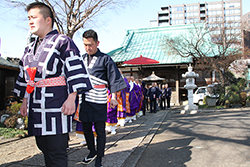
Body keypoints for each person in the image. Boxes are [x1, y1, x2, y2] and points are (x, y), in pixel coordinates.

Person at [13, 2, 92, 167]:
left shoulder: (63, 41)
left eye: (34, 17)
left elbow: (74, 69)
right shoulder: (29, 48)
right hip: (36, 104)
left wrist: (72, 98)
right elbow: (26, 76)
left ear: (48, 20)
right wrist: (25, 101)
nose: (30, 22)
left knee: (57, 151)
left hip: (56, 105)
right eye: (28, 18)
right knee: (43, 147)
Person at [79, 29, 127, 167]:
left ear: (97, 43)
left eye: (90, 44)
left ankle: (99, 156)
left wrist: (113, 97)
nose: (88, 48)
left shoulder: (106, 59)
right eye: (85, 45)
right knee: (86, 128)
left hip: (99, 99)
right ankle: (91, 151)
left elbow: (114, 79)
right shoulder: (81, 59)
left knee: (100, 129)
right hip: (85, 98)